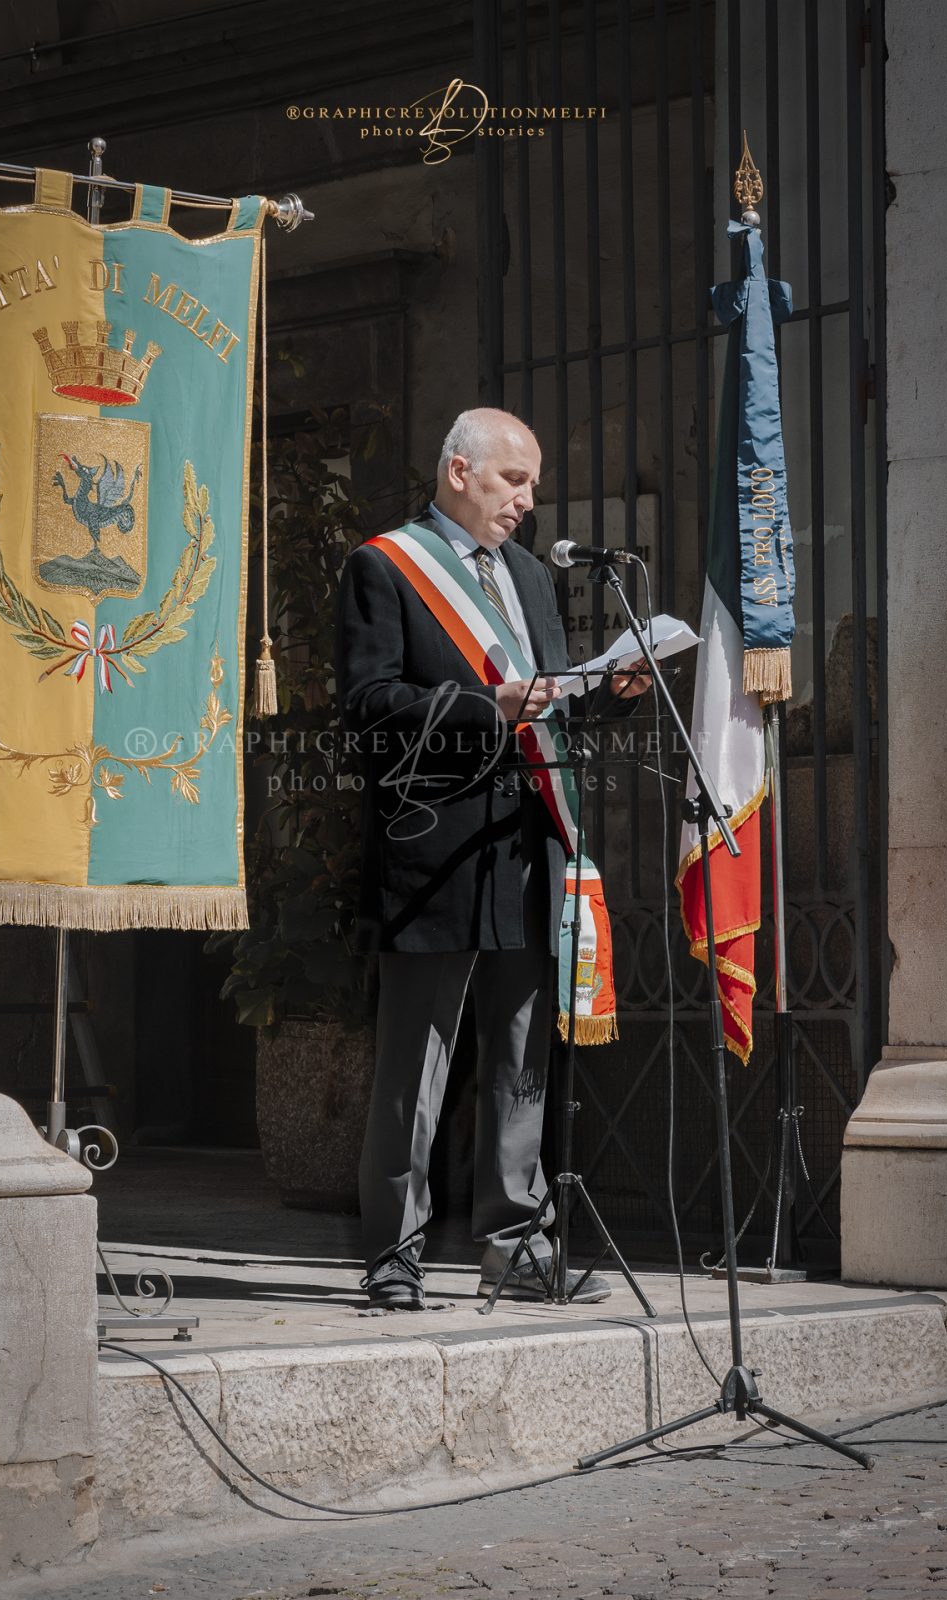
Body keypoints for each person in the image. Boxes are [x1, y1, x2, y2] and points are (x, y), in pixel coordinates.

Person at [335, 408, 649, 1309]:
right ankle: (393, 1254)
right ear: (459, 470)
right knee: (416, 1061)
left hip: (524, 844)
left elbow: (543, 706)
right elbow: (367, 707)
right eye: (514, 479)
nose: (527, 498)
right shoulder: (384, 567)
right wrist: (484, 705)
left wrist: (609, 693)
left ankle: (516, 1243)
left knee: (521, 1057)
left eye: (533, 483)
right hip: (430, 849)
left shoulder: (525, 578)